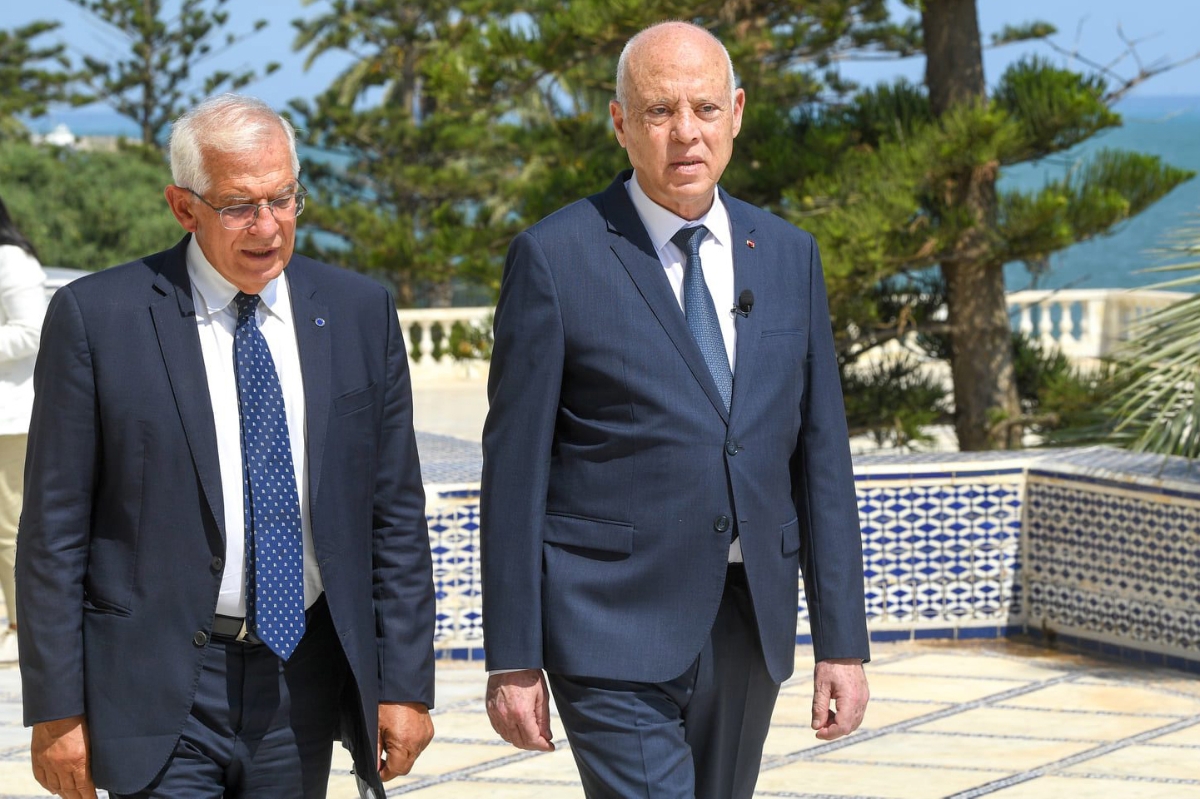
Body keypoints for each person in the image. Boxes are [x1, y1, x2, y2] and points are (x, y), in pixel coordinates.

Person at [481, 21, 870, 799]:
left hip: (747, 621)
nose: (685, 131)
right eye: (659, 111)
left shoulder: (789, 255)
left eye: (703, 107)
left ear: (737, 112)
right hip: (606, 622)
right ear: (621, 123)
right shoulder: (555, 257)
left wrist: (843, 642)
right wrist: (513, 656)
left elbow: (822, 459)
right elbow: (513, 474)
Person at [17, 94, 435, 799]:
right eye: (240, 206)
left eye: (284, 198)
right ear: (184, 208)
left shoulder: (361, 313)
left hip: (298, 682)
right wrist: (56, 710)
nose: (268, 226)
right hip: (155, 685)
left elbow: (394, 514)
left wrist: (405, 684)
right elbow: (54, 531)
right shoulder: (98, 319)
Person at [0, 195, 47, 664]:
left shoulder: (10, 260)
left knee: (11, 529)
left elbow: (32, 329)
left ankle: (21, 626)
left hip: (9, 420)